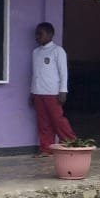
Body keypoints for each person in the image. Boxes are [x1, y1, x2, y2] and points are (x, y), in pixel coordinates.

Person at [30, 22, 77, 156]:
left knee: (58, 119)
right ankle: (46, 148)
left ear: (50, 35)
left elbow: (63, 72)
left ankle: (70, 142)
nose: (37, 37)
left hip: (53, 92)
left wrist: (63, 91)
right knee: (43, 122)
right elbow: (35, 73)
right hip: (39, 92)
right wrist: (32, 92)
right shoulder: (36, 52)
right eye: (36, 34)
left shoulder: (57, 51)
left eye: (40, 34)